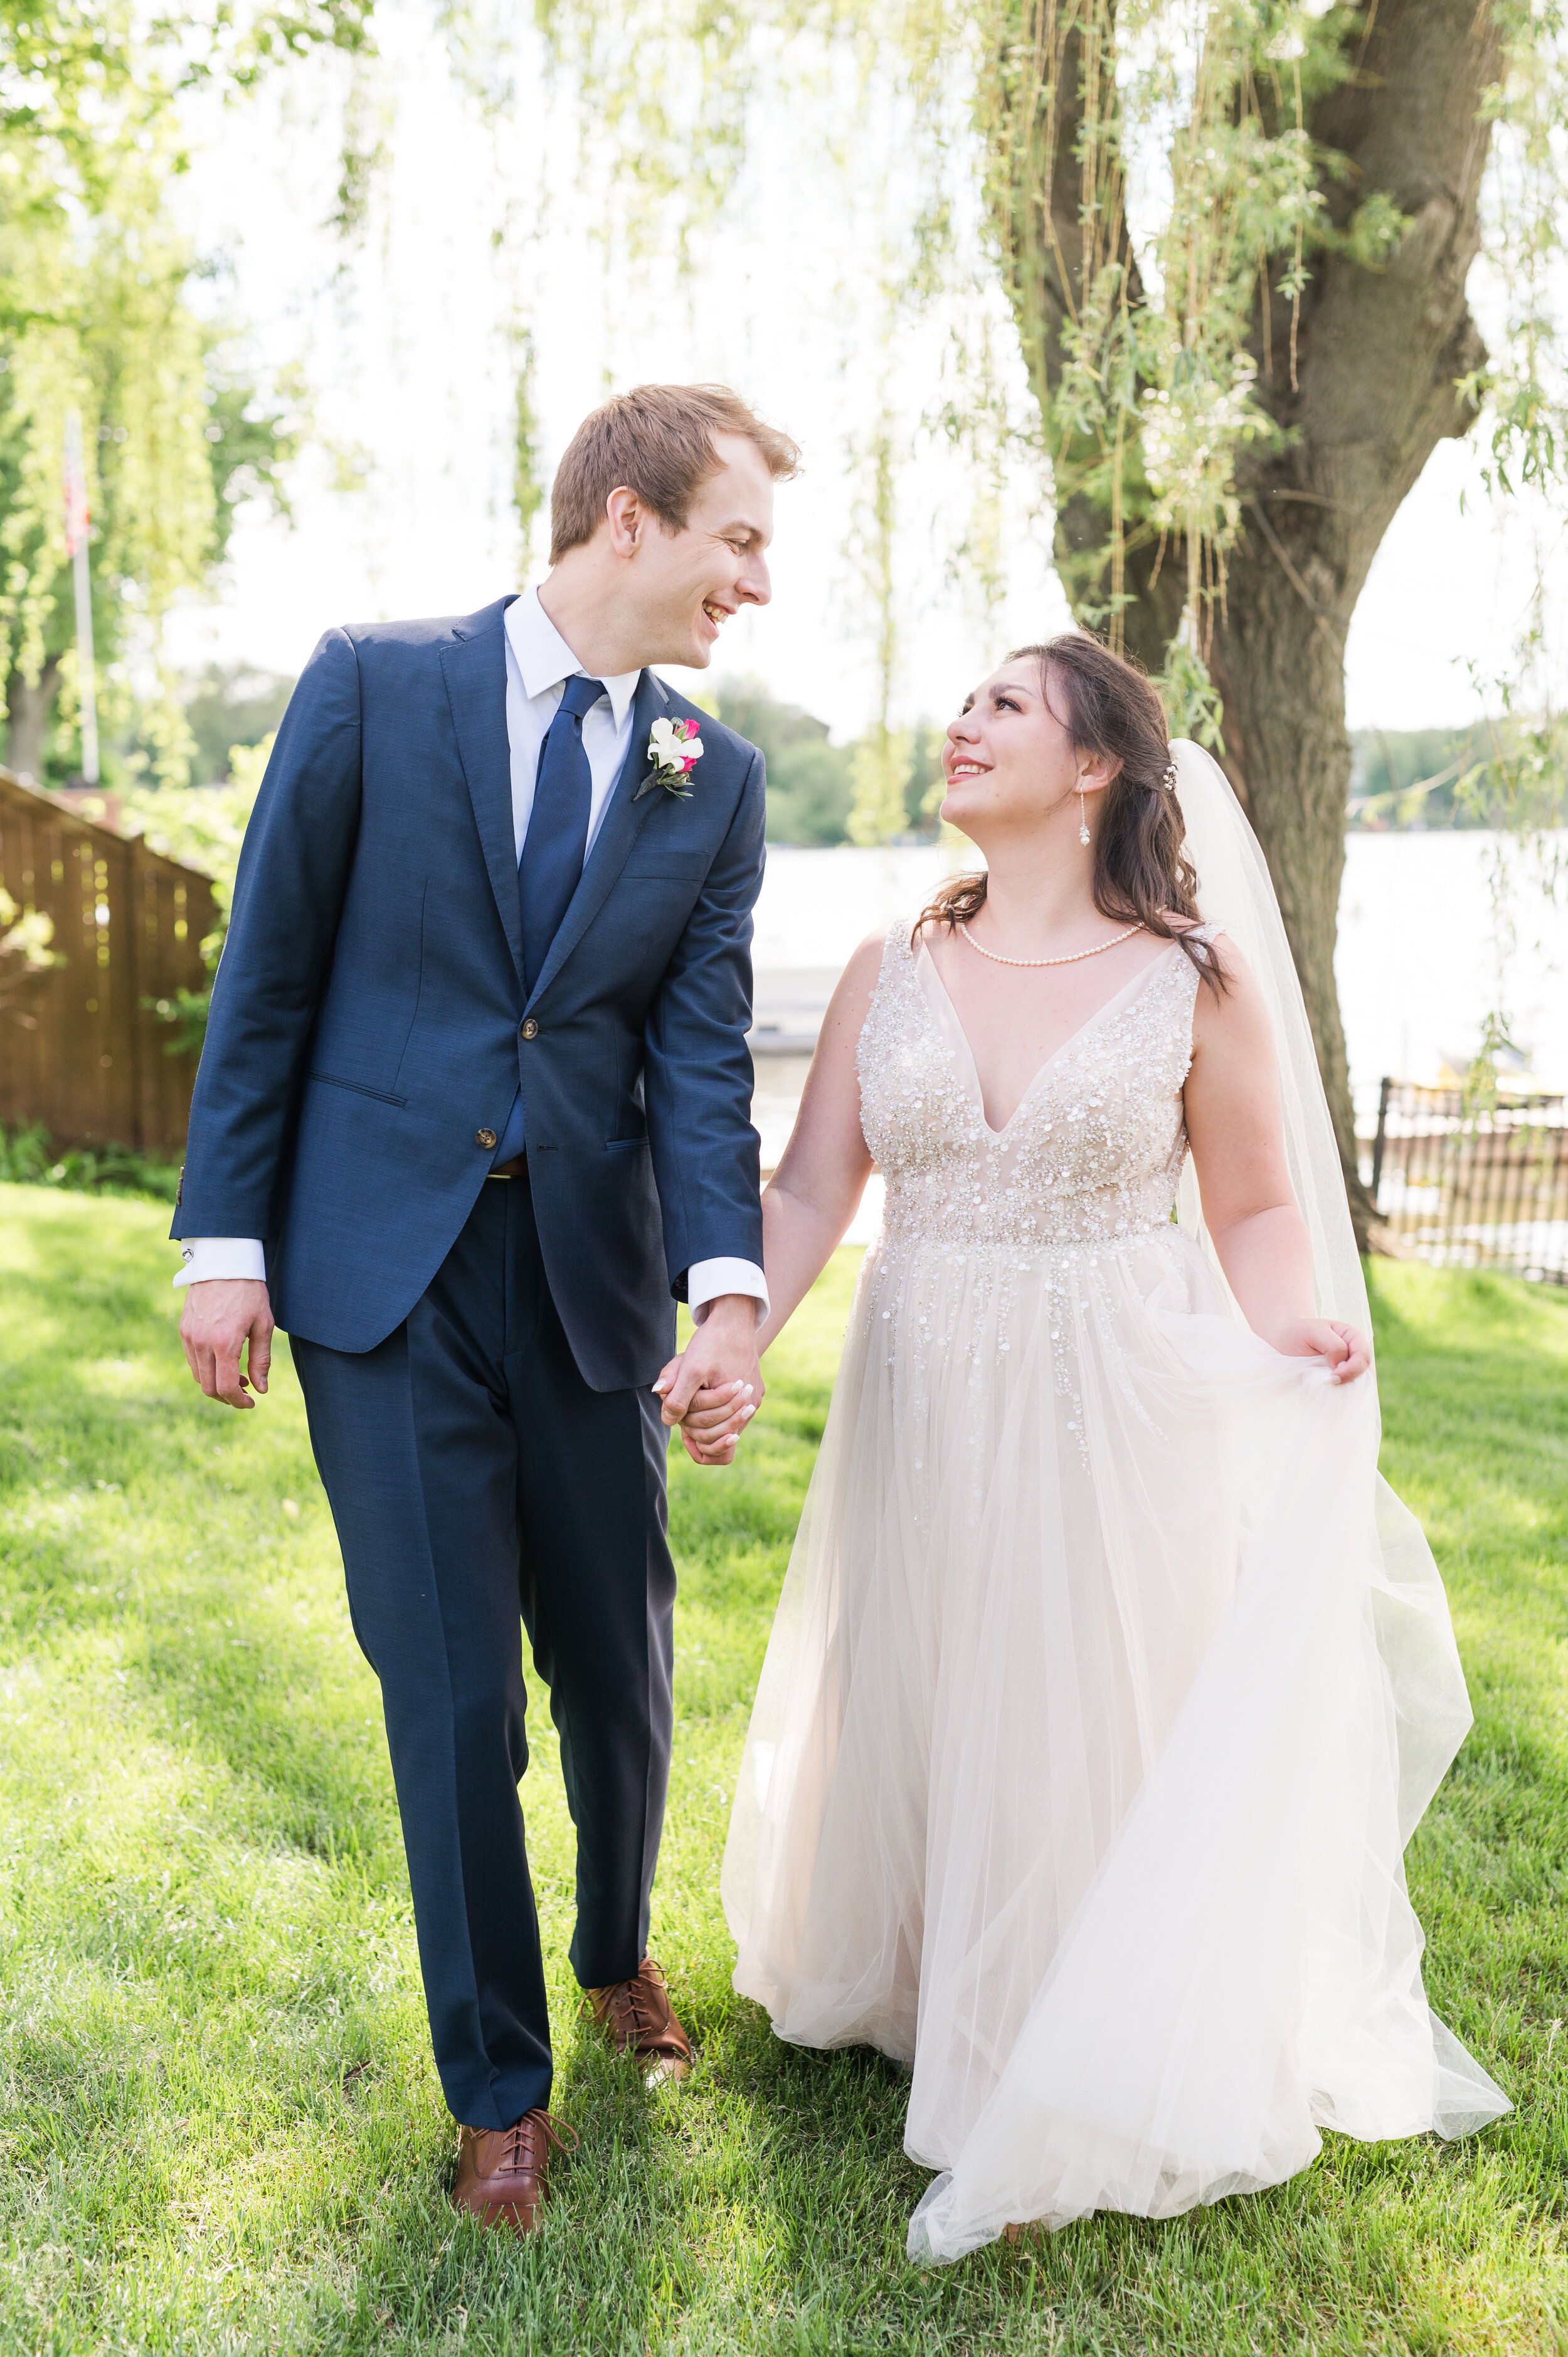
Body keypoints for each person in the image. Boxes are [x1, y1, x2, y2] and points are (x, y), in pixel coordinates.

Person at [699, 631, 1509, 2260]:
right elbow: (807, 1192)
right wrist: (732, 1335)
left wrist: (1291, 1326)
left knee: (1074, 1692)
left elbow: (1260, 1204)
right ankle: (937, 1980)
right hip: (921, 1375)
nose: (960, 721)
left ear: (1091, 773)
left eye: (1003, 704)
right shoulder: (890, 964)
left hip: (1105, 1384)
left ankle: (1069, 2027)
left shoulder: (1188, 976)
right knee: (932, 1669)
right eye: (962, 700)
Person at [172, 383, 798, 2233]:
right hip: (381, 1272)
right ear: (627, 520)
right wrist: (226, 1243)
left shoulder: (714, 774)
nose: (753, 581)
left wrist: (728, 1292)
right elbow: (269, 970)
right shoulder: (375, 681)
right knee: (448, 1699)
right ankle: (497, 2092)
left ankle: (617, 1950)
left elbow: (696, 1069)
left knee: (616, 1677)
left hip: (592, 1288)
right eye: (737, 539)